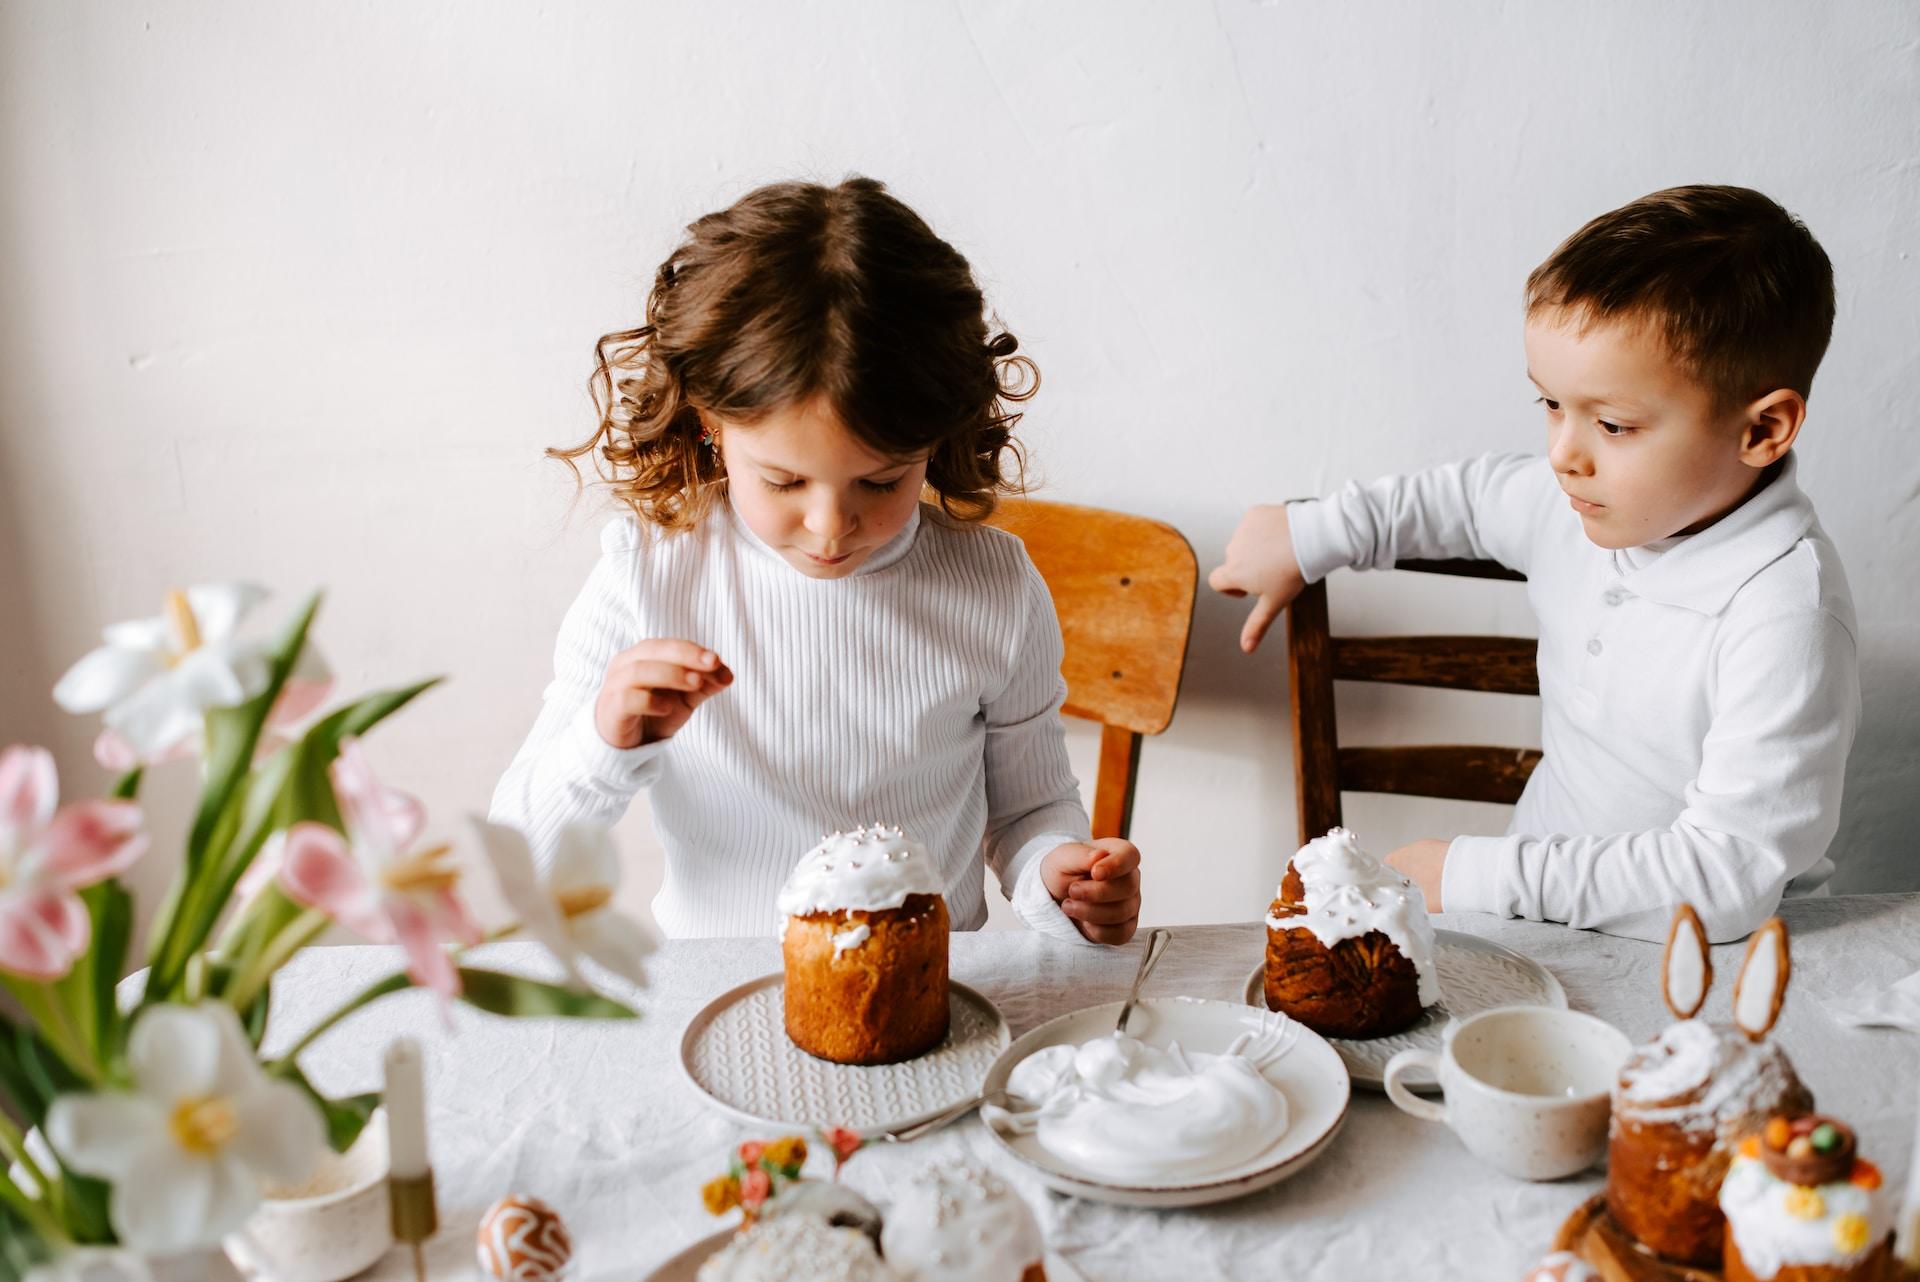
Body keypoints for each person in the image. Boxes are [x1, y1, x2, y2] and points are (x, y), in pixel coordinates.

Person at [491, 176, 1141, 944]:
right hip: (716, 986)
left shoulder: (993, 585)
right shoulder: (647, 576)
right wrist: (605, 744)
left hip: (923, 986)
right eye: (783, 481)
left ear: (935, 441)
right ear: (709, 427)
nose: (831, 528)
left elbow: (1031, 810)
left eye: (881, 481)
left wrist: (1057, 874)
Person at [1211, 185, 1859, 942]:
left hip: (1724, 962)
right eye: (1550, 405)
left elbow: (1725, 878)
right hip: (1549, 931)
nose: (1562, 454)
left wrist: (1471, 874)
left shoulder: (1786, 616)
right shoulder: (1577, 501)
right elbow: (1466, 497)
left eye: (1613, 424)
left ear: (1764, 429)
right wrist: (1310, 532)